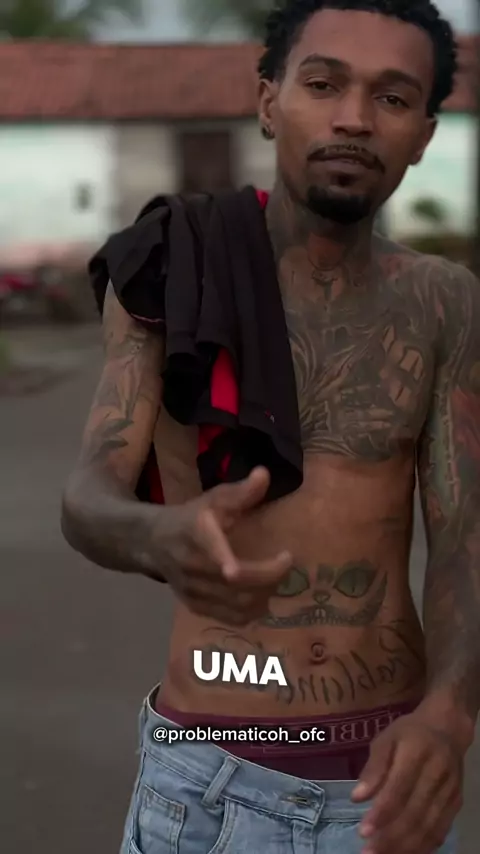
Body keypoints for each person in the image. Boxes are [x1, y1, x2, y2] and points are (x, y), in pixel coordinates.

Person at [61, 2, 480, 853]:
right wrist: (153, 533)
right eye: (323, 85)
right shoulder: (172, 264)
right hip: (204, 782)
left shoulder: (444, 302)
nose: (354, 118)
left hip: (381, 791)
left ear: (424, 136)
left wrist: (450, 715)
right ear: (267, 102)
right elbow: (88, 493)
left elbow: (465, 540)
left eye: (393, 98)